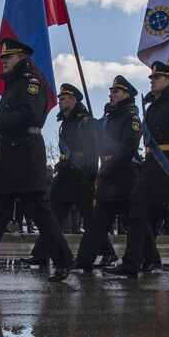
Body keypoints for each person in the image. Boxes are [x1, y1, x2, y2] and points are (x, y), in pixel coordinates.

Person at [0, 37, 72, 281]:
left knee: (39, 211)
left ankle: (64, 259)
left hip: (25, 154)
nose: (3, 61)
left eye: (8, 57)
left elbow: (31, 115)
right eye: (2, 57)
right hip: (9, 154)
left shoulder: (31, 83)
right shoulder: (14, 84)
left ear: (22, 57)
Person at [101, 61, 169, 279]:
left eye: (156, 78)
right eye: (151, 78)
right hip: (150, 171)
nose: (152, 81)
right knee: (137, 216)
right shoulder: (151, 108)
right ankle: (131, 263)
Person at [26, 83, 98, 271]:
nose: (60, 102)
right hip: (66, 174)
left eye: (63, 98)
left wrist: (90, 176)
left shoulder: (85, 121)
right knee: (52, 216)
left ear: (73, 100)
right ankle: (40, 254)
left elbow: (92, 151)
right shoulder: (66, 121)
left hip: (81, 174)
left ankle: (102, 253)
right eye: (59, 99)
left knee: (91, 220)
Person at [74, 75, 142, 271]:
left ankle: (149, 258)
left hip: (125, 174)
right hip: (108, 174)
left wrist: (108, 170)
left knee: (133, 221)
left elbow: (129, 148)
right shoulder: (108, 118)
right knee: (98, 221)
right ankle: (84, 260)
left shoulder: (131, 117)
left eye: (116, 91)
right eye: (111, 91)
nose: (111, 95)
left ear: (126, 94)